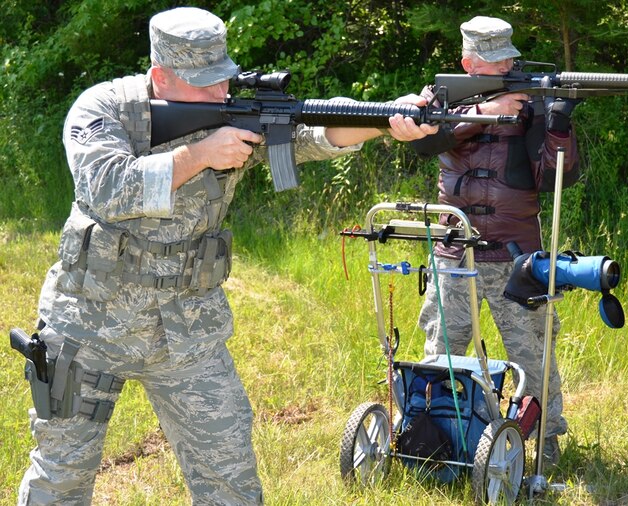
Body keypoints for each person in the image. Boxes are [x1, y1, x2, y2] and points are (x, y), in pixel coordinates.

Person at [16, 7, 436, 505]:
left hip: (188, 329)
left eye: (224, 79)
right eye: (205, 84)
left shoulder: (232, 113)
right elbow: (106, 187)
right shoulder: (104, 109)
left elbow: (309, 133)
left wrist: (387, 118)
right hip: (90, 322)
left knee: (229, 479)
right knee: (60, 477)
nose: (221, 93)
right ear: (160, 77)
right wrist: (200, 155)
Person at [411, 16, 580, 465]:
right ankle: (435, 435)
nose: (505, 68)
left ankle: (542, 446)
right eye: (493, 63)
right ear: (467, 64)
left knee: (533, 358)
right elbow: (426, 142)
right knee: (441, 354)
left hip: (515, 258)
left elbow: (556, 178)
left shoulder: (531, 100)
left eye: (508, 60)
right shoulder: (441, 98)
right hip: (453, 252)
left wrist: (556, 125)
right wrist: (488, 110)